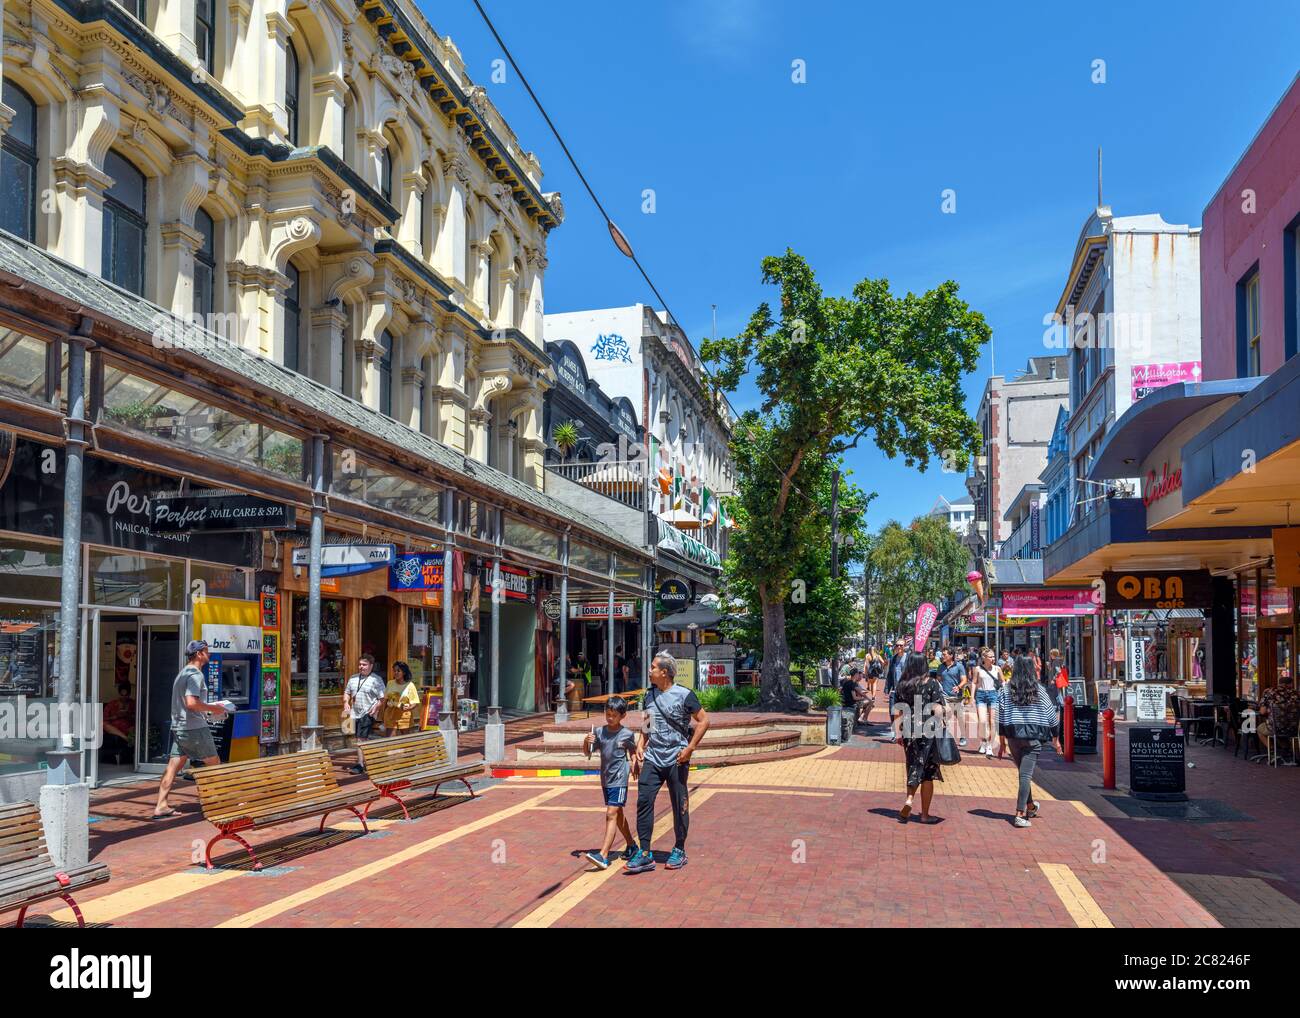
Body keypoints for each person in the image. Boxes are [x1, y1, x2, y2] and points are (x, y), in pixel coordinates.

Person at [627, 652, 710, 873]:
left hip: (677, 758)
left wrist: (690, 748)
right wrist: (639, 747)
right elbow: (647, 725)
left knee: (679, 804)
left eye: (653, 667)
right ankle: (644, 853)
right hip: (653, 757)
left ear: (664, 672)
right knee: (644, 801)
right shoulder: (650, 695)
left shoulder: (684, 695)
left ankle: (679, 849)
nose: (650, 670)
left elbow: (704, 721)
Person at [152, 640, 229, 819]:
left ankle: (161, 805)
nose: (209, 655)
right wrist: (214, 708)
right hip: (194, 728)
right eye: (207, 652)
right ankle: (219, 802)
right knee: (214, 764)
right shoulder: (195, 675)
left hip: (179, 728)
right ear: (200, 653)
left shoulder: (182, 674)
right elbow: (192, 703)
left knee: (172, 767)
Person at [997, 656, 1062, 828]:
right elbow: (1051, 716)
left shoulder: (1005, 689)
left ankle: (1031, 806)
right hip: (1033, 738)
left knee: (1023, 773)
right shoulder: (1039, 690)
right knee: (1025, 775)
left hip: (1013, 737)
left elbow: (1001, 717)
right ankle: (1019, 814)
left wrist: (1002, 742)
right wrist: (1056, 738)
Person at [582, 696, 640, 868]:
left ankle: (603, 855)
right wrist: (586, 742)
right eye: (607, 714)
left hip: (619, 779)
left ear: (622, 716)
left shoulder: (626, 734)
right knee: (618, 814)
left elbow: (633, 751)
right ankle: (631, 845)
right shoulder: (599, 732)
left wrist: (634, 761)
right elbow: (588, 753)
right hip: (606, 779)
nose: (609, 718)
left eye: (613, 715)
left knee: (611, 814)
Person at [892, 652, 944, 823]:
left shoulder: (903, 684)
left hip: (908, 729)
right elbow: (937, 708)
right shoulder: (932, 683)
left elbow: (898, 710)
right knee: (927, 772)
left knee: (913, 764)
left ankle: (909, 799)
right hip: (928, 730)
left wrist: (898, 733)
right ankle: (924, 815)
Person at [342, 653, 386, 774]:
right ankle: (367, 761)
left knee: (361, 738)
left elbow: (382, 698)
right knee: (360, 738)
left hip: (368, 712)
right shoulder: (353, 678)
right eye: (360, 664)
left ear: (371, 666)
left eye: (364, 665)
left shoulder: (376, 680)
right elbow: (347, 692)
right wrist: (346, 702)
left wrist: (376, 707)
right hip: (355, 712)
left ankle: (360, 764)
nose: (361, 667)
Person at [1258, 674, 1299, 763]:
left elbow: (1262, 712)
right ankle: (1287, 750)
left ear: (1279, 683)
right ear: (1291, 684)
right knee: (1284, 729)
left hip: (1276, 728)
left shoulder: (1269, 692)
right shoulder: (1297, 693)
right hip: (1294, 729)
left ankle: (1272, 752)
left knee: (1260, 729)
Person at [971, 646, 1001, 757]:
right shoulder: (978, 669)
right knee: (982, 721)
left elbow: (1002, 682)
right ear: (984, 657)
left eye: (994, 656)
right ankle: (983, 741)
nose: (993, 658)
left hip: (993, 695)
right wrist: (971, 697)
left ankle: (989, 745)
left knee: (992, 722)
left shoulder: (997, 669)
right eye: (990, 656)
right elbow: (974, 682)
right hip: (981, 695)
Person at [938, 647, 969, 748]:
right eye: (942, 654)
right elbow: (938, 679)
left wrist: (959, 687)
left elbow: (964, 680)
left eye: (945, 654)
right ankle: (947, 737)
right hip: (945, 696)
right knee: (946, 716)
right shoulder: (940, 667)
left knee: (960, 717)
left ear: (951, 656)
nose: (942, 656)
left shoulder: (959, 666)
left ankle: (963, 736)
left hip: (957, 697)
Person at [383, 661, 421, 736]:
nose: (396, 673)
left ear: (404, 672)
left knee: (405, 740)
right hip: (390, 714)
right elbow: (385, 699)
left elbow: (415, 703)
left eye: (398, 671)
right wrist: (382, 715)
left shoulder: (410, 685)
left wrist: (408, 707)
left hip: (404, 715)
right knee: (390, 740)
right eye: (394, 671)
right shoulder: (390, 683)